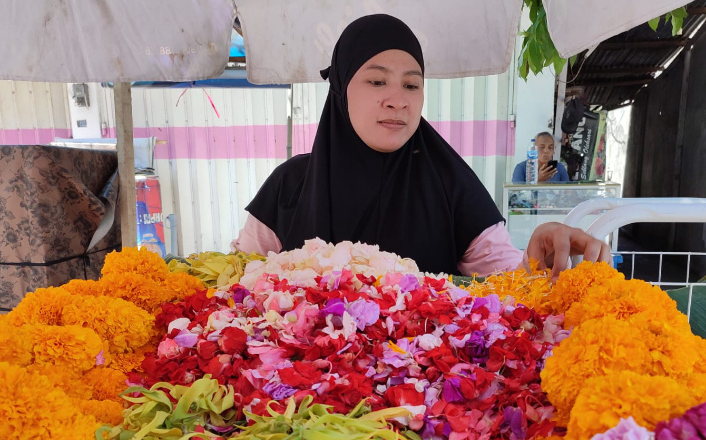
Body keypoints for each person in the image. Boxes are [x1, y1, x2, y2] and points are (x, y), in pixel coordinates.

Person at [232, 14, 609, 279]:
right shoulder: (289, 185)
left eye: (411, 85)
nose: (398, 100)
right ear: (341, 88)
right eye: (377, 82)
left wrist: (536, 260)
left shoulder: (450, 183)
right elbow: (236, 281)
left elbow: (507, 280)